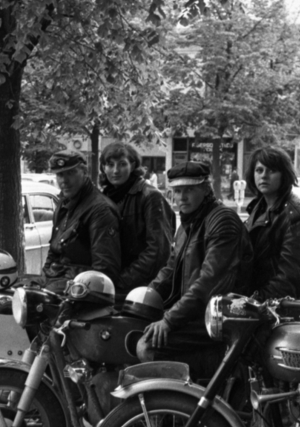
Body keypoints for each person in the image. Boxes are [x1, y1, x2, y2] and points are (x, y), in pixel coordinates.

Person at [139, 161, 252, 377]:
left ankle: (189, 399)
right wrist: (140, 301)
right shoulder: (188, 224)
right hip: (196, 312)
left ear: (205, 188)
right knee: (130, 328)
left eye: (189, 190)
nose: (182, 197)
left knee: (148, 346)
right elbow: (169, 270)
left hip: (220, 317)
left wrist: (170, 319)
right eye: (177, 191)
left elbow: (209, 282)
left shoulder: (222, 220)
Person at [243, 146, 300, 300]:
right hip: (255, 305)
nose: (264, 176)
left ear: (284, 175)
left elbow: (291, 280)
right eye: (259, 170)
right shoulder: (258, 208)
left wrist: (253, 301)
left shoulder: (298, 217)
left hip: (280, 312)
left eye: (271, 170)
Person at [98, 142, 173, 299]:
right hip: (111, 285)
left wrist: (123, 281)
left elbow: (158, 251)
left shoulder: (150, 196)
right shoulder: (103, 198)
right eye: (110, 165)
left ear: (132, 165)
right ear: (103, 168)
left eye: (122, 164)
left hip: (138, 289)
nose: (115, 170)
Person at [43, 149, 121, 283]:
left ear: (85, 172)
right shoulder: (64, 204)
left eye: (71, 173)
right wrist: (44, 277)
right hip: (58, 280)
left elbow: (104, 269)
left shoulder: (100, 210)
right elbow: (54, 251)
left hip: (79, 288)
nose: (64, 180)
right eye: (60, 175)